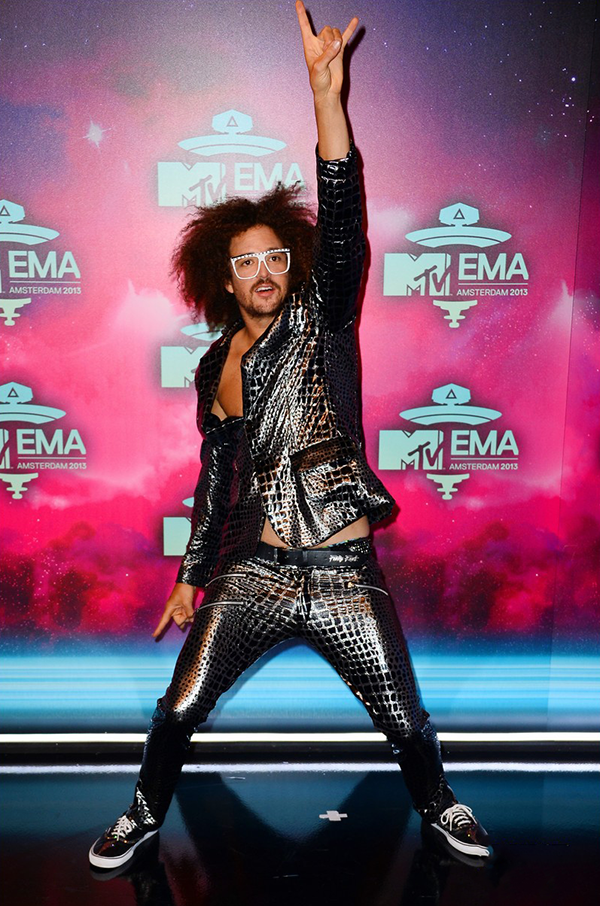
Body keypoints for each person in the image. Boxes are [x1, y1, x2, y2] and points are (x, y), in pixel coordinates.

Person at [89, 1, 490, 870]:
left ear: (292, 265)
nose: (265, 271)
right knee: (179, 706)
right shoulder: (215, 367)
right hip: (255, 572)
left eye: (276, 256)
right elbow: (215, 481)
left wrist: (325, 98)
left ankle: (442, 806)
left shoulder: (323, 317)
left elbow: (343, 222)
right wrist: (191, 578)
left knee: (403, 716)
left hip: (343, 571)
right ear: (224, 279)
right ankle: (141, 814)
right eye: (246, 261)